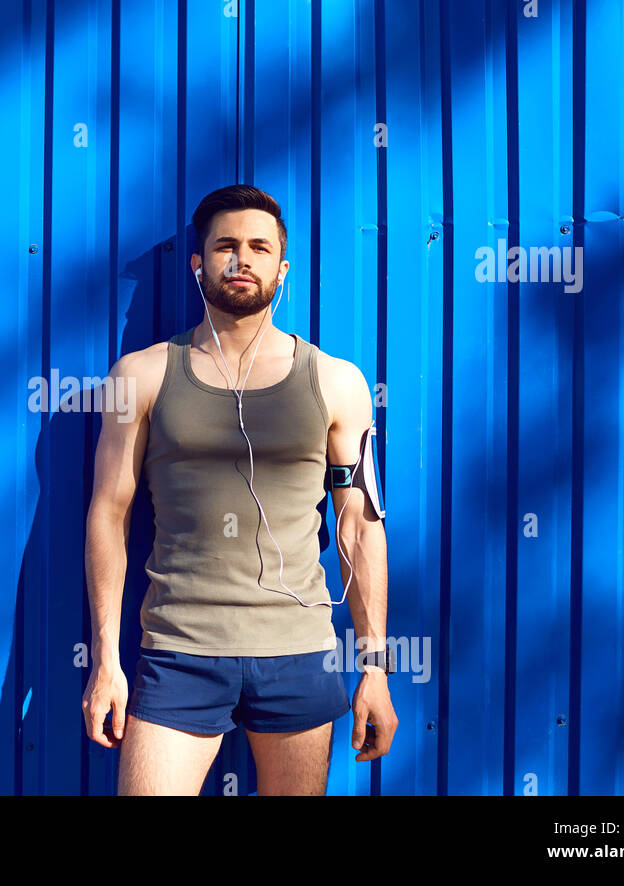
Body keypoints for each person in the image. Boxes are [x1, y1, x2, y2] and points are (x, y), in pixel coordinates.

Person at [81, 184, 397, 795]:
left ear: (283, 267)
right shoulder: (142, 375)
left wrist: (376, 670)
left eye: (259, 247)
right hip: (179, 651)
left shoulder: (337, 382)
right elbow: (108, 515)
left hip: (298, 653)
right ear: (198, 263)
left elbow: (360, 523)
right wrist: (105, 661)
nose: (242, 259)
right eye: (225, 245)